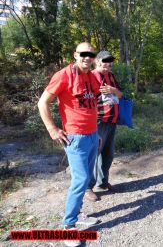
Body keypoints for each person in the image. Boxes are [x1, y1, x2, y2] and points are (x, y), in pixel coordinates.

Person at [37, 42, 100, 246]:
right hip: (75, 138)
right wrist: (52, 129)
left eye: (91, 54)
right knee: (80, 180)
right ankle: (68, 227)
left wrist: (96, 132)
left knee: (88, 177)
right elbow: (42, 103)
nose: (87, 57)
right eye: (83, 54)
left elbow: (91, 106)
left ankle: (77, 214)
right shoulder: (63, 75)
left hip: (92, 135)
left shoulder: (91, 77)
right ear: (75, 55)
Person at [85, 50, 123, 202]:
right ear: (98, 61)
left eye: (111, 62)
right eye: (106, 61)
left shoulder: (111, 76)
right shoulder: (92, 75)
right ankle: (87, 187)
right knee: (93, 155)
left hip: (112, 120)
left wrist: (112, 90)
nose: (109, 64)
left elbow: (120, 95)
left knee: (108, 154)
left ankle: (103, 182)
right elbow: (86, 99)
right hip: (98, 121)